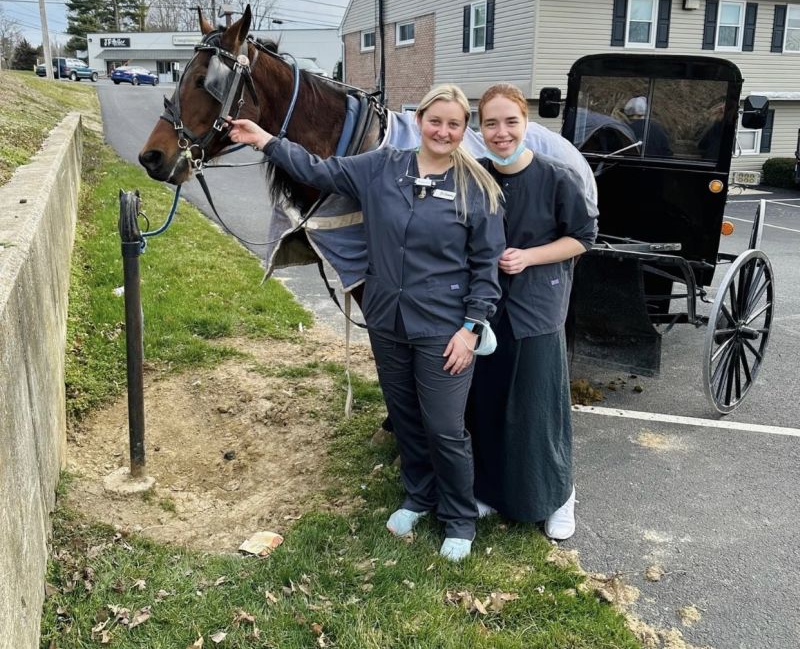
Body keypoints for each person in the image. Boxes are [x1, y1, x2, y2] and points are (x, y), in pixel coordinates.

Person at [226, 85, 505, 561]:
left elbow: (487, 268)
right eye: (435, 121)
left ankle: (459, 516)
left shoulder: (477, 189)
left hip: (444, 327)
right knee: (407, 417)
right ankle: (419, 496)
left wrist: (471, 328)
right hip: (388, 318)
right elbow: (318, 170)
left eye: (454, 124)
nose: (443, 131)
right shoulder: (382, 167)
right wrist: (265, 140)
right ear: (420, 121)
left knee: (444, 427)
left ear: (464, 130)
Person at [467, 83, 597, 540]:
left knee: (539, 408)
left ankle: (559, 494)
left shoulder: (558, 177)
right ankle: (491, 490)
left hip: (538, 306)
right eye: (490, 123)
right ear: (478, 129)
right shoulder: (474, 176)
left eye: (510, 121)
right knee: (487, 402)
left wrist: (529, 256)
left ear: (526, 123)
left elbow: (582, 237)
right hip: (485, 307)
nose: (501, 132)